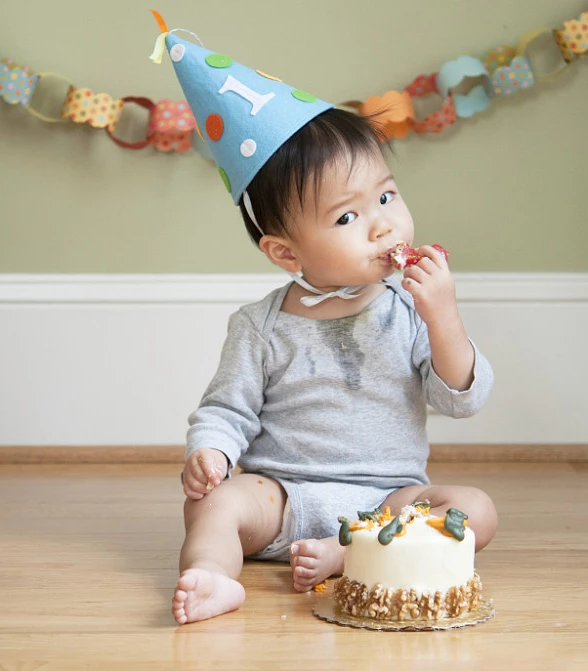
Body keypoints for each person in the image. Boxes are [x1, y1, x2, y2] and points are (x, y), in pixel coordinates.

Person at [150, 28, 498, 626]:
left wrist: (443, 315)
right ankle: (210, 576)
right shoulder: (259, 326)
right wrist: (209, 451)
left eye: (386, 197)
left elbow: (460, 398)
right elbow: (226, 410)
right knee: (213, 504)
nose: (383, 226)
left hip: (391, 503)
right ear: (286, 253)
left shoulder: (409, 308)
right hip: (281, 497)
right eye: (347, 215)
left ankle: (348, 555)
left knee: (475, 509)